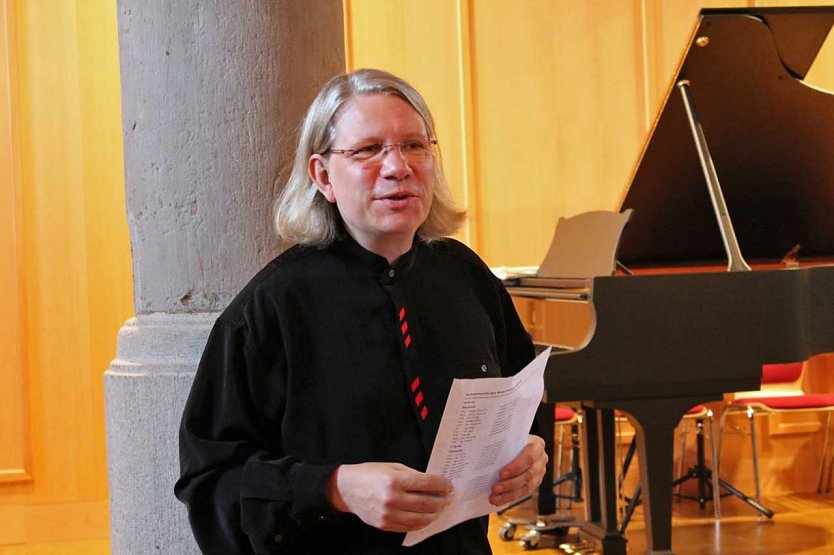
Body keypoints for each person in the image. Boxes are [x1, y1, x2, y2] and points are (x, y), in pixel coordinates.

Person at [175, 68, 547, 554]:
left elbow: (522, 397)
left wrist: (531, 452)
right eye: (368, 150)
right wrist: (334, 488)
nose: (398, 167)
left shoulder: (467, 277)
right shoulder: (270, 307)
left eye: (415, 145)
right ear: (323, 176)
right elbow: (211, 481)